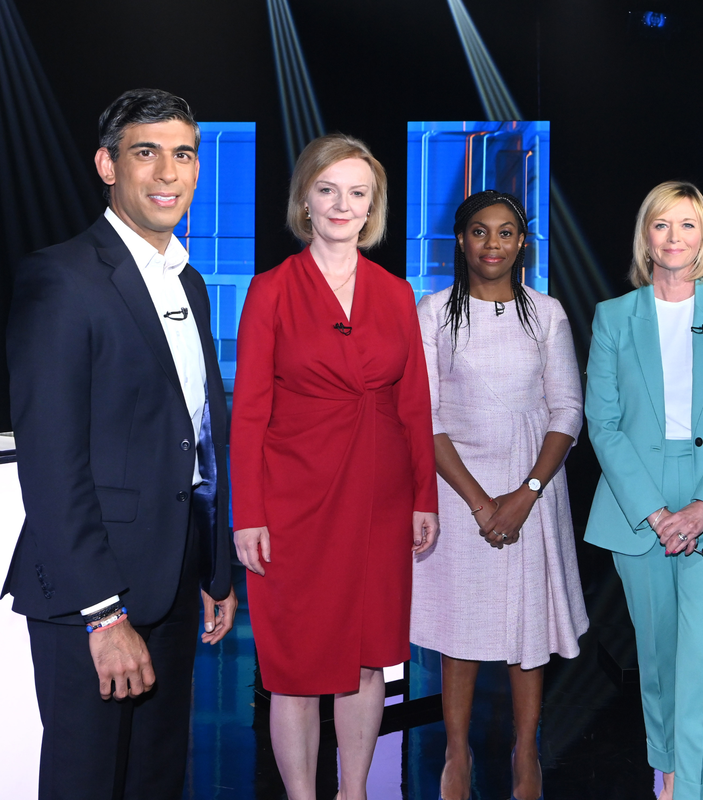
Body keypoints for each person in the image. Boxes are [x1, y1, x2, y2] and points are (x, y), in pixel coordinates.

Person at [3, 88, 237, 799]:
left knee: (155, 782)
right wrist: (103, 616)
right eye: (146, 153)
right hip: (93, 595)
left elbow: (199, 434)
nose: (168, 173)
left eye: (183, 154)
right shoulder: (61, 277)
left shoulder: (189, 282)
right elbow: (52, 463)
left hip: (173, 581)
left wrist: (215, 568)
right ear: (107, 165)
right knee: (87, 783)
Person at [230, 133, 439, 800]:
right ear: (306, 200)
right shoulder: (270, 290)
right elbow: (248, 414)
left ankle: (355, 792)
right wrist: (247, 514)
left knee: (369, 660)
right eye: (328, 190)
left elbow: (415, 404)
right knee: (294, 670)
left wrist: (425, 498)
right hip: (294, 503)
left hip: (380, 500)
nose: (342, 205)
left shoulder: (396, 293)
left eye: (357, 193)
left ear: (372, 206)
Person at [585, 180, 703, 800]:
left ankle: (694, 787)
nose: (674, 237)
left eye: (688, 224)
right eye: (662, 224)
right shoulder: (614, 316)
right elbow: (604, 425)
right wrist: (657, 513)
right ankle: (664, 766)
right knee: (659, 654)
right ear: (646, 235)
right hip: (637, 500)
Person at [411, 190, 588, 800]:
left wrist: (525, 493)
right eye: (480, 231)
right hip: (458, 487)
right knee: (461, 627)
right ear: (461, 241)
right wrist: (482, 503)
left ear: (522, 243)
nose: (493, 243)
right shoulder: (434, 312)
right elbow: (425, 416)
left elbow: (568, 410)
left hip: (532, 487)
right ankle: (455, 751)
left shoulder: (547, 313)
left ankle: (526, 750)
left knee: (526, 628)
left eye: (506, 232)